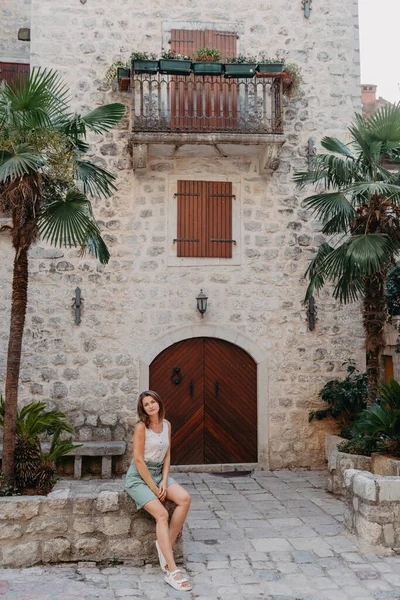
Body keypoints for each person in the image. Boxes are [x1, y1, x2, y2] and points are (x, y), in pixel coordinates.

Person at [125, 390, 192, 592]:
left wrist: (163, 480)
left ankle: (165, 549)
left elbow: (167, 454)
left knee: (185, 498)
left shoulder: (167, 425)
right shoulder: (141, 428)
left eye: (153, 402)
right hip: (139, 476)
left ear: (159, 403)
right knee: (162, 514)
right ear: (143, 409)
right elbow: (138, 460)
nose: (151, 406)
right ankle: (172, 570)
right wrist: (153, 488)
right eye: (146, 404)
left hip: (158, 474)